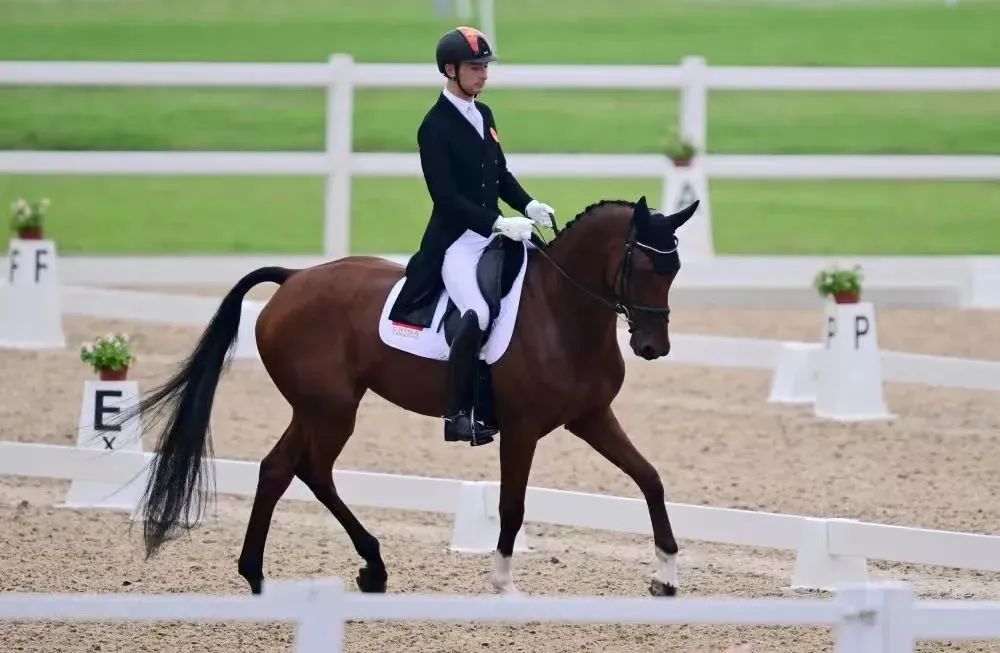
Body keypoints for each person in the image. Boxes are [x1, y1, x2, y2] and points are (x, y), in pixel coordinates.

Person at [393, 26, 556, 446]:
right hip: (457, 242)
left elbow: (499, 175)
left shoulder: (484, 115)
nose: (483, 75)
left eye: (485, 67)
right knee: (479, 315)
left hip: (493, 233)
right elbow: (445, 198)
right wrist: (497, 223)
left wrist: (529, 205)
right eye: (474, 67)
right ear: (450, 70)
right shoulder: (434, 127)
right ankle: (460, 411)